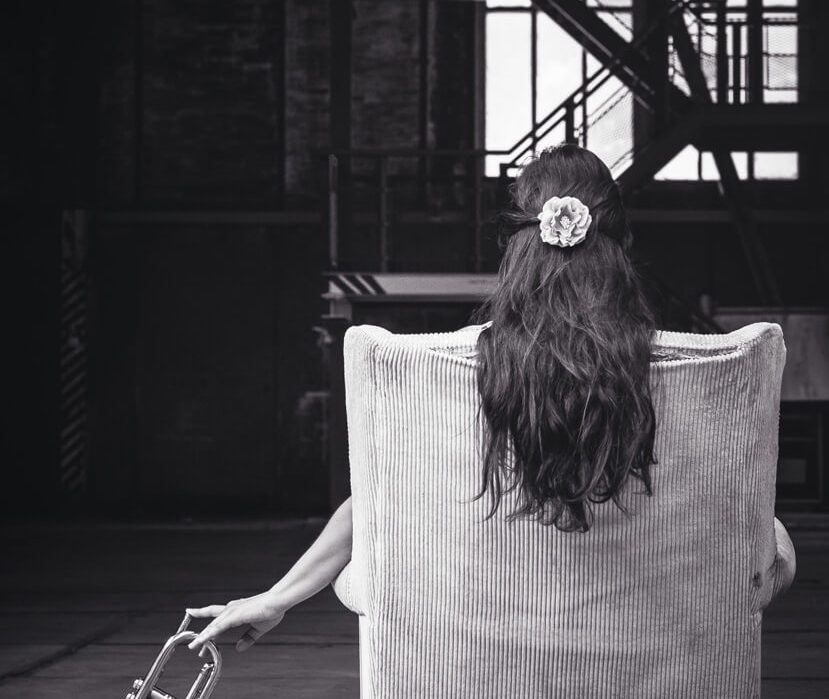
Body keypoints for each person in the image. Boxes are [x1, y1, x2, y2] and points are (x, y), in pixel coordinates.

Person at [187, 143, 658, 653]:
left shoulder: (448, 365)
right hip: (649, 650)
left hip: (481, 654)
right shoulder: (685, 370)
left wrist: (276, 598)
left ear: (515, 244)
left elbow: (376, 496)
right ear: (621, 241)